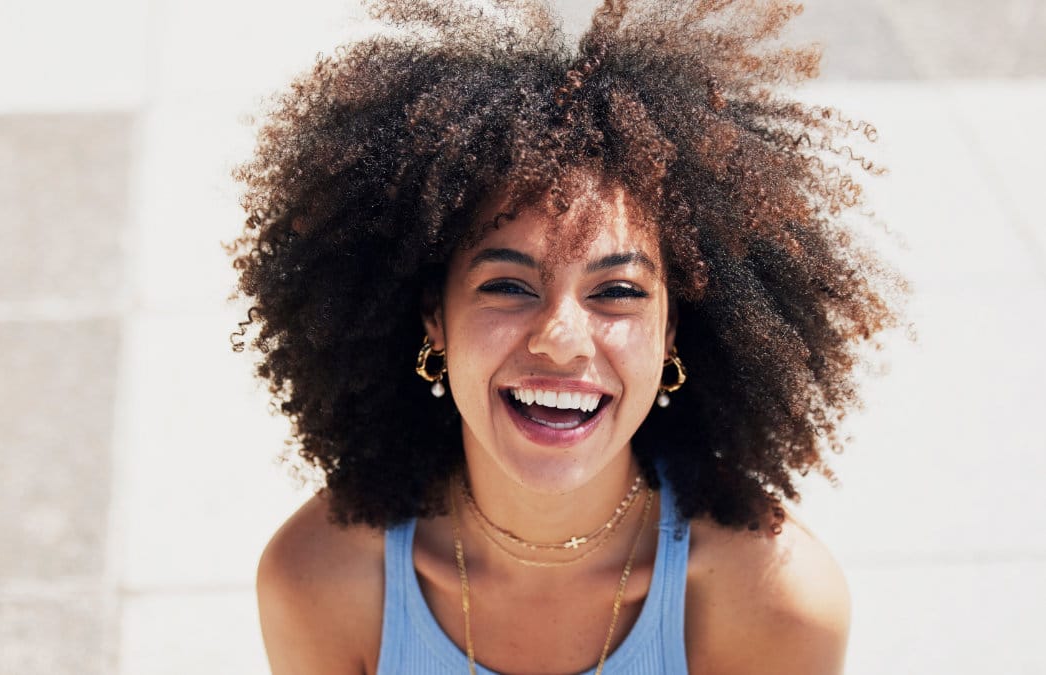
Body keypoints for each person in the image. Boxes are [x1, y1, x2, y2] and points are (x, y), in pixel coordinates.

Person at [229, 0, 901, 673]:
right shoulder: (321, 580)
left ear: (672, 332)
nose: (560, 339)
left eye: (617, 292)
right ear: (433, 315)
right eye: (509, 286)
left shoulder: (774, 602)